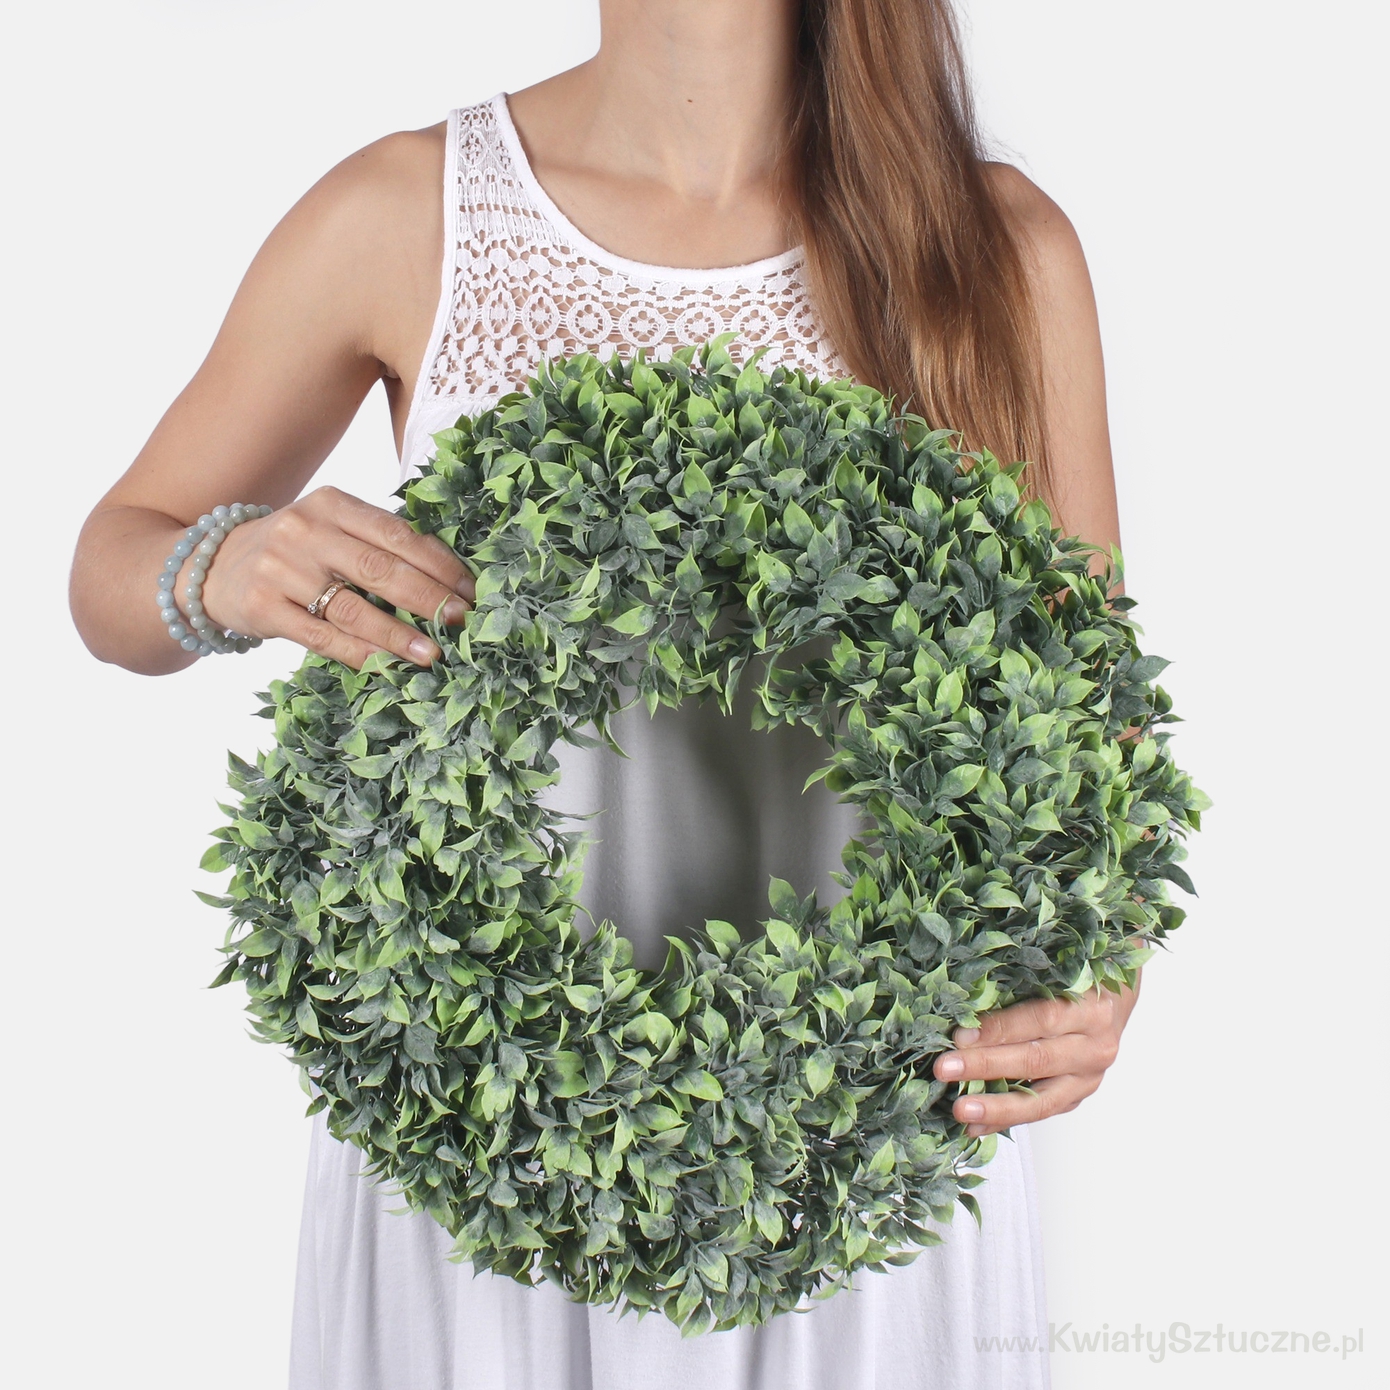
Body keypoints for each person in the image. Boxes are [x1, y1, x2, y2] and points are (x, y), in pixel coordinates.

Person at [69, 2, 1138, 1386]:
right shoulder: (409, 213)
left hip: (857, 1162)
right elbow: (112, 565)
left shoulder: (991, 246)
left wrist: (1096, 979)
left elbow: (1088, 724)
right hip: (484, 1151)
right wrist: (222, 563)